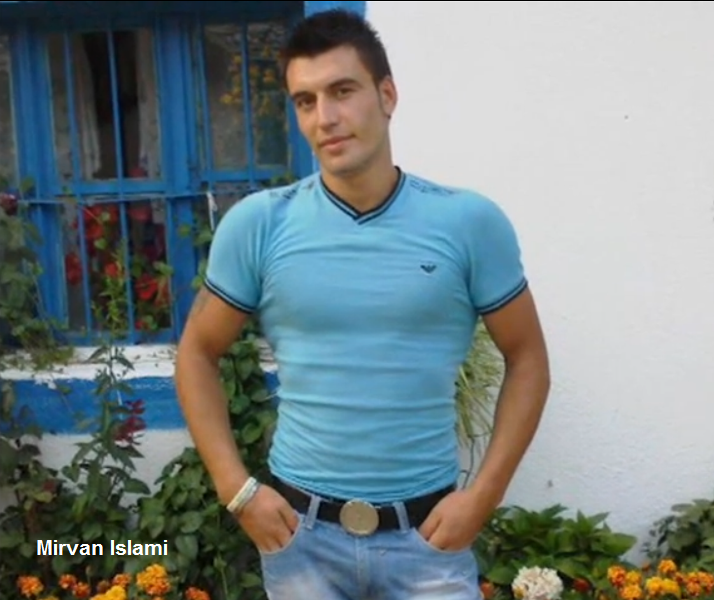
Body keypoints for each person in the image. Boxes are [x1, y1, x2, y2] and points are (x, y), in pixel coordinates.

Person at [174, 8, 550, 600]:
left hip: (428, 543)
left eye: (342, 91)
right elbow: (197, 352)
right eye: (305, 101)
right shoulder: (260, 225)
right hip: (302, 540)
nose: (324, 117)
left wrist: (483, 496)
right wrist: (238, 491)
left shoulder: (468, 223)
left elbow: (528, 358)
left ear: (387, 95)